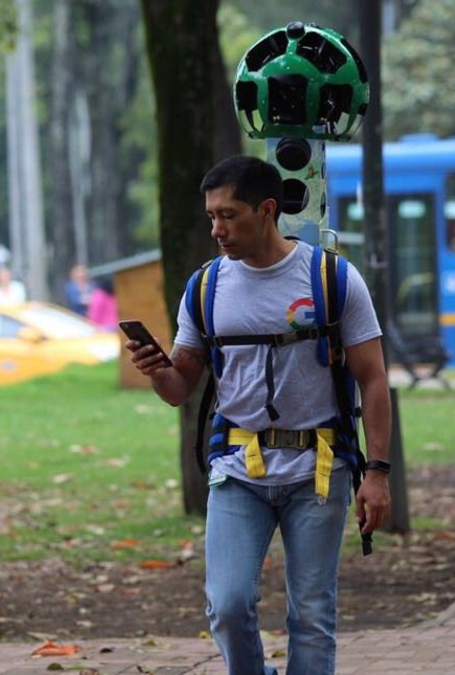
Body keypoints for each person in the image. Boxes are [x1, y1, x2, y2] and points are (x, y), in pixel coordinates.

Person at [124, 156, 392, 675]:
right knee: (226, 606)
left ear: (267, 210)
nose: (217, 229)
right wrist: (157, 370)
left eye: (229, 215)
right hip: (237, 468)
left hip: (318, 468)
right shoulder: (206, 287)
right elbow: (179, 388)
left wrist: (377, 473)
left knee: (311, 615)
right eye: (211, 216)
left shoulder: (331, 277)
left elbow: (374, 378)